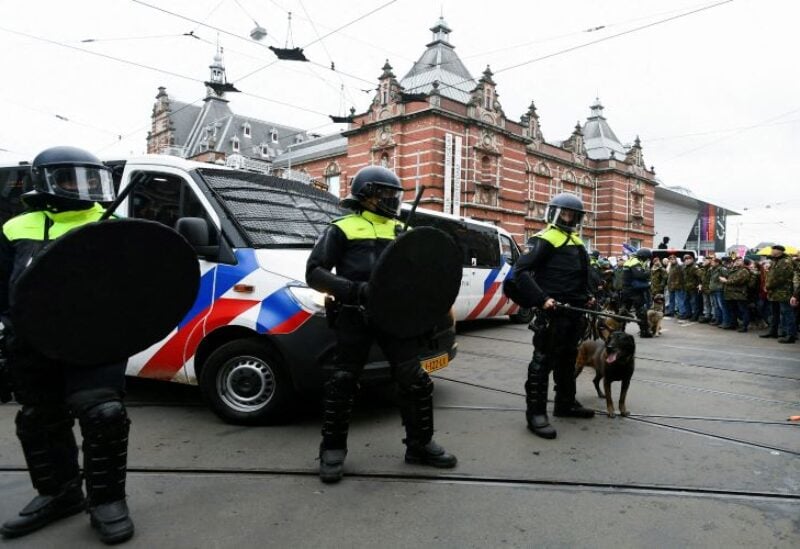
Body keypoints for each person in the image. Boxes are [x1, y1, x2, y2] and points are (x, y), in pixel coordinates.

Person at [0, 147, 134, 544]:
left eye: (92, 179)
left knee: (103, 413)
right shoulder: (15, 228)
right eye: (70, 178)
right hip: (31, 342)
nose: (83, 188)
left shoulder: (114, 225)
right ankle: (59, 493)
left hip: (95, 340)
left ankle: (107, 500)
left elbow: (140, 288)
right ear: (43, 181)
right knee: (39, 419)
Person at [306, 165, 456, 483]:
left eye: (394, 194)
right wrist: (353, 289)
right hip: (353, 315)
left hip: (394, 318)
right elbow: (315, 271)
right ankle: (332, 449)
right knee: (343, 381)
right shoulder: (342, 227)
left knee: (416, 380)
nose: (392, 199)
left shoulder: (401, 231)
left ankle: (419, 445)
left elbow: (417, 280)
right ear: (367, 196)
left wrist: (425, 316)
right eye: (385, 193)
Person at [513, 192, 595, 440]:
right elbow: (521, 272)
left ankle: (565, 403)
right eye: (566, 213)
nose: (569, 218)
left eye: (574, 215)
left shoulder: (578, 242)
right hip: (552, 312)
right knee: (543, 362)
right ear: (555, 213)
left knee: (568, 360)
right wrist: (542, 299)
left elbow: (583, 275)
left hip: (574, 312)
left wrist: (588, 294)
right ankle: (535, 414)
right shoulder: (546, 239)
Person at [761, 245, 797, 343]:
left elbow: (779, 278)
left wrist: (767, 286)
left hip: (783, 292)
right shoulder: (775, 261)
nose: (772, 252)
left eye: (773, 250)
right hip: (775, 292)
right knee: (775, 313)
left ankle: (791, 335)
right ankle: (773, 332)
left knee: (787, 313)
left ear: (779, 251)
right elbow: (772, 275)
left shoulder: (785, 261)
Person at [622, 248, 653, 338]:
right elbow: (640, 275)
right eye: (647, 258)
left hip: (626, 290)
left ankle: (620, 330)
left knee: (624, 311)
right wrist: (648, 272)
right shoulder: (635, 262)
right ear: (643, 256)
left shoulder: (630, 260)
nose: (647, 260)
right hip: (634, 291)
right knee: (641, 312)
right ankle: (644, 332)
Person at [719, 257, 750, 332]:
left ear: (743, 262)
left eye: (739, 261)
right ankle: (733, 324)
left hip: (740, 294)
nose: (737, 262)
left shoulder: (744, 271)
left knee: (743, 310)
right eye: (736, 261)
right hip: (731, 294)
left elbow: (738, 281)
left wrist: (726, 281)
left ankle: (744, 326)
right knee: (733, 310)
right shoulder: (734, 270)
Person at [681, 254, 701, 321]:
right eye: (685, 259)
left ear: (691, 259)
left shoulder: (694, 267)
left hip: (693, 288)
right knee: (686, 301)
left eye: (688, 259)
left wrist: (699, 284)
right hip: (687, 287)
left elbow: (700, 276)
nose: (686, 260)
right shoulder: (685, 267)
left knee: (694, 303)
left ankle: (695, 315)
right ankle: (688, 314)